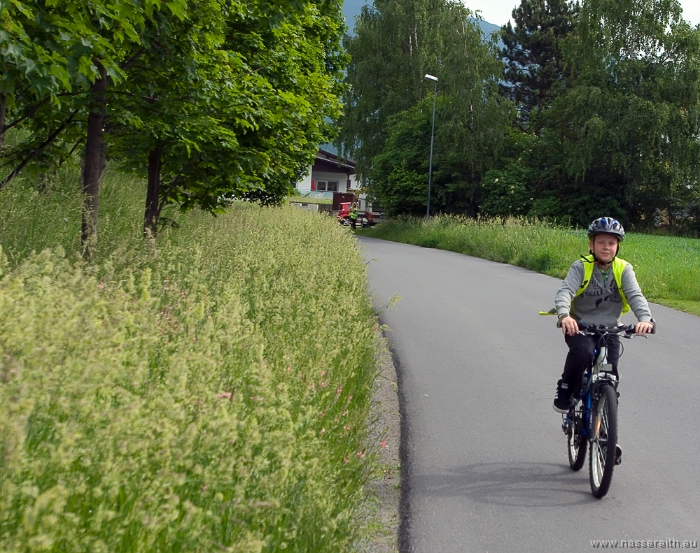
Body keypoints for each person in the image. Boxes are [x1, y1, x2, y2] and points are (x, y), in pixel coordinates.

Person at [552, 217, 655, 414]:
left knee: (611, 374)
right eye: (601, 242)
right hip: (580, 327)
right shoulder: (581, 266)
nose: (606, 247)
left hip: (611, 328)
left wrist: (645, 319)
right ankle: (566, 386)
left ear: (617, 246)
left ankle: (606, 429)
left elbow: (635, 295)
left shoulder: (624, 269)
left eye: (612, 243)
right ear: (591, 245)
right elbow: (565, 292)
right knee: (583, 352)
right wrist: (565, 315)